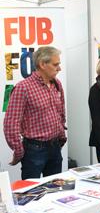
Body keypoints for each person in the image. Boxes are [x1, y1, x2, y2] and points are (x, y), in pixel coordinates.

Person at [4, 46, 67, 179]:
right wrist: (19, 150)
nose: (59, 68)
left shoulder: (57, 84)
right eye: (55, 64)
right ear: (42, 64)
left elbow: (61, 113)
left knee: (55, 191)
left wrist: (61, 136)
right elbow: (11, 124)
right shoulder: (23, 88)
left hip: (55, 147)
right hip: (34, 150)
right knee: (31, 193)